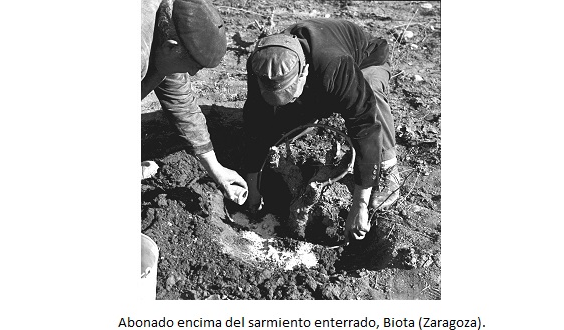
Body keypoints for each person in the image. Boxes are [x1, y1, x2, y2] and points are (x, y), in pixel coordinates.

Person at [242, 18, 402, 240]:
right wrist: (253, 184)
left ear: (304, 72)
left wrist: (359, 206)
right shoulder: (262, 65)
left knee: (370, 90)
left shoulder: (336, 66)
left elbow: (364, 126)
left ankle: (388, 168)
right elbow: (255, 120)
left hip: (366, 60)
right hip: (318, 78)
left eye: (290, 95)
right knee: (276, 127)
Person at [141, 0, 247, 204]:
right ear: (172, 48)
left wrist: (216, 170)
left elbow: (181, 101)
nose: (192, 73)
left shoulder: (169, 33)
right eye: (192, 66)